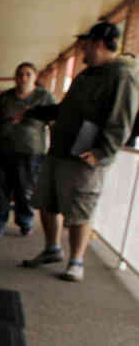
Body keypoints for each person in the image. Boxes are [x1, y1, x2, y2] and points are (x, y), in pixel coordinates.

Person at [22, 21, 139, 281]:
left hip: (86, 155)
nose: (82, 49)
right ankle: (52, 249)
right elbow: (66, 109)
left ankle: (76, 261)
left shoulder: (122, 75)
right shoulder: (87, 74)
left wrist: (101, 152)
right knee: (47, 201)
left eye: (85, 44)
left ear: (97, 44)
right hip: (61, 149)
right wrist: (33, 113)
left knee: (80, 209)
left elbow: (122, 119)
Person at [0, 62, 56, 238]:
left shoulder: (44, 98)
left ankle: (25, 222)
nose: (23, 78)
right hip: (1, 151)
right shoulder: (4, 98)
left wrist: (53, 150)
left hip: (31, 154)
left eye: (28, 74)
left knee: (25, 191)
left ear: (35, 77)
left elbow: (53, 124)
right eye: (20, 74)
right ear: (15, 77)